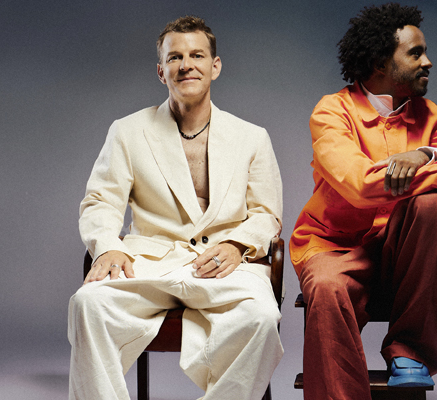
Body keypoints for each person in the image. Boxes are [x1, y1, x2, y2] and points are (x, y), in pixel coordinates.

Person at [291, 3, 437, 399]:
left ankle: (410, 352)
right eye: (415, 53)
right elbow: (360, 185)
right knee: (324, 287)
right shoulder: (332, 112)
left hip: (403, 256)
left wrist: (425, 156)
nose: (428, 62)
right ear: (379, 62)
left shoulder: (434, 117)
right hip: (336, 248)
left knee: (431, 205)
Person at [67, 15, 286, 400]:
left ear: (215, 66)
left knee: (263, 317)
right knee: (87, 303)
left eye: (197, 55)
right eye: (175, 57)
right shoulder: (127, 131)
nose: (186, 65)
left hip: (224, 267)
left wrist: (237, 245)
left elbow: (266, 213)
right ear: (161, 71)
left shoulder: (252, 137)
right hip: (148, 266)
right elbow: (100, 201)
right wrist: (108, 246)